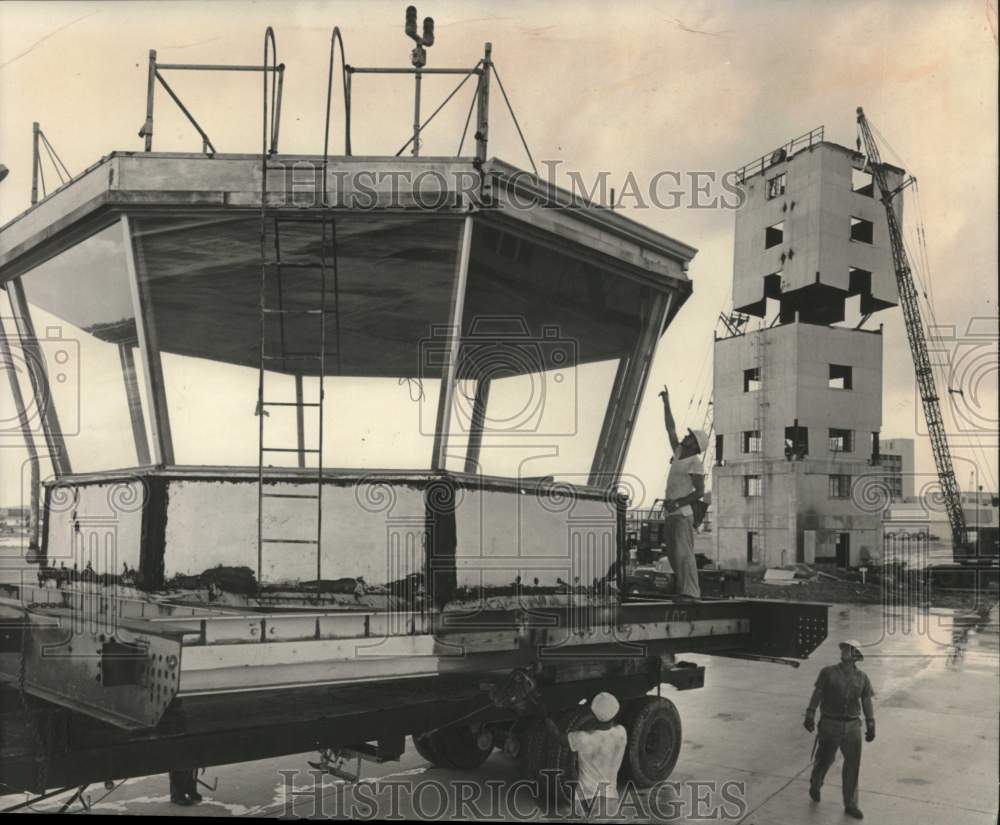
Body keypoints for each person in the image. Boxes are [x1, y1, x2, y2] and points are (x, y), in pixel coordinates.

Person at [803, 639, 876, 820]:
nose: (843, 651)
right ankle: (816, 782)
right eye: (844, 648)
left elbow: (866, 700)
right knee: (825, 759)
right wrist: (810, 713)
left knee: (852, 765)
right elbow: (818, 693)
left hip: (852, 726)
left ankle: (850, 804)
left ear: (856, 657)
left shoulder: (863, 678)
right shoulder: (828, 672)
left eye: (849, 649)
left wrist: (871, 723)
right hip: (830, 724)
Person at [535, 691, 627, 814]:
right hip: (610, 795)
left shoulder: (584, 739)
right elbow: (610, 724)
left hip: (587, 797)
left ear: (593, 716)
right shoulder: (621, 733)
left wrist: (545, 717)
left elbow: (558, 737)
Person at [658, 386, 708, 602]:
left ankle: (691, 593)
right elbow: (670, 428)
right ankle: (683, 591)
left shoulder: (695, 462)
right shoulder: (679, 454)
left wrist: (677, 504)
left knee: (683, 553)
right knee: (673, 554)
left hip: (681, 513)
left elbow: (699, 492)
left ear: (695, 445)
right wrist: (666, 403)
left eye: (689, 438)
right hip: (671, 511)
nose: (685, 438)